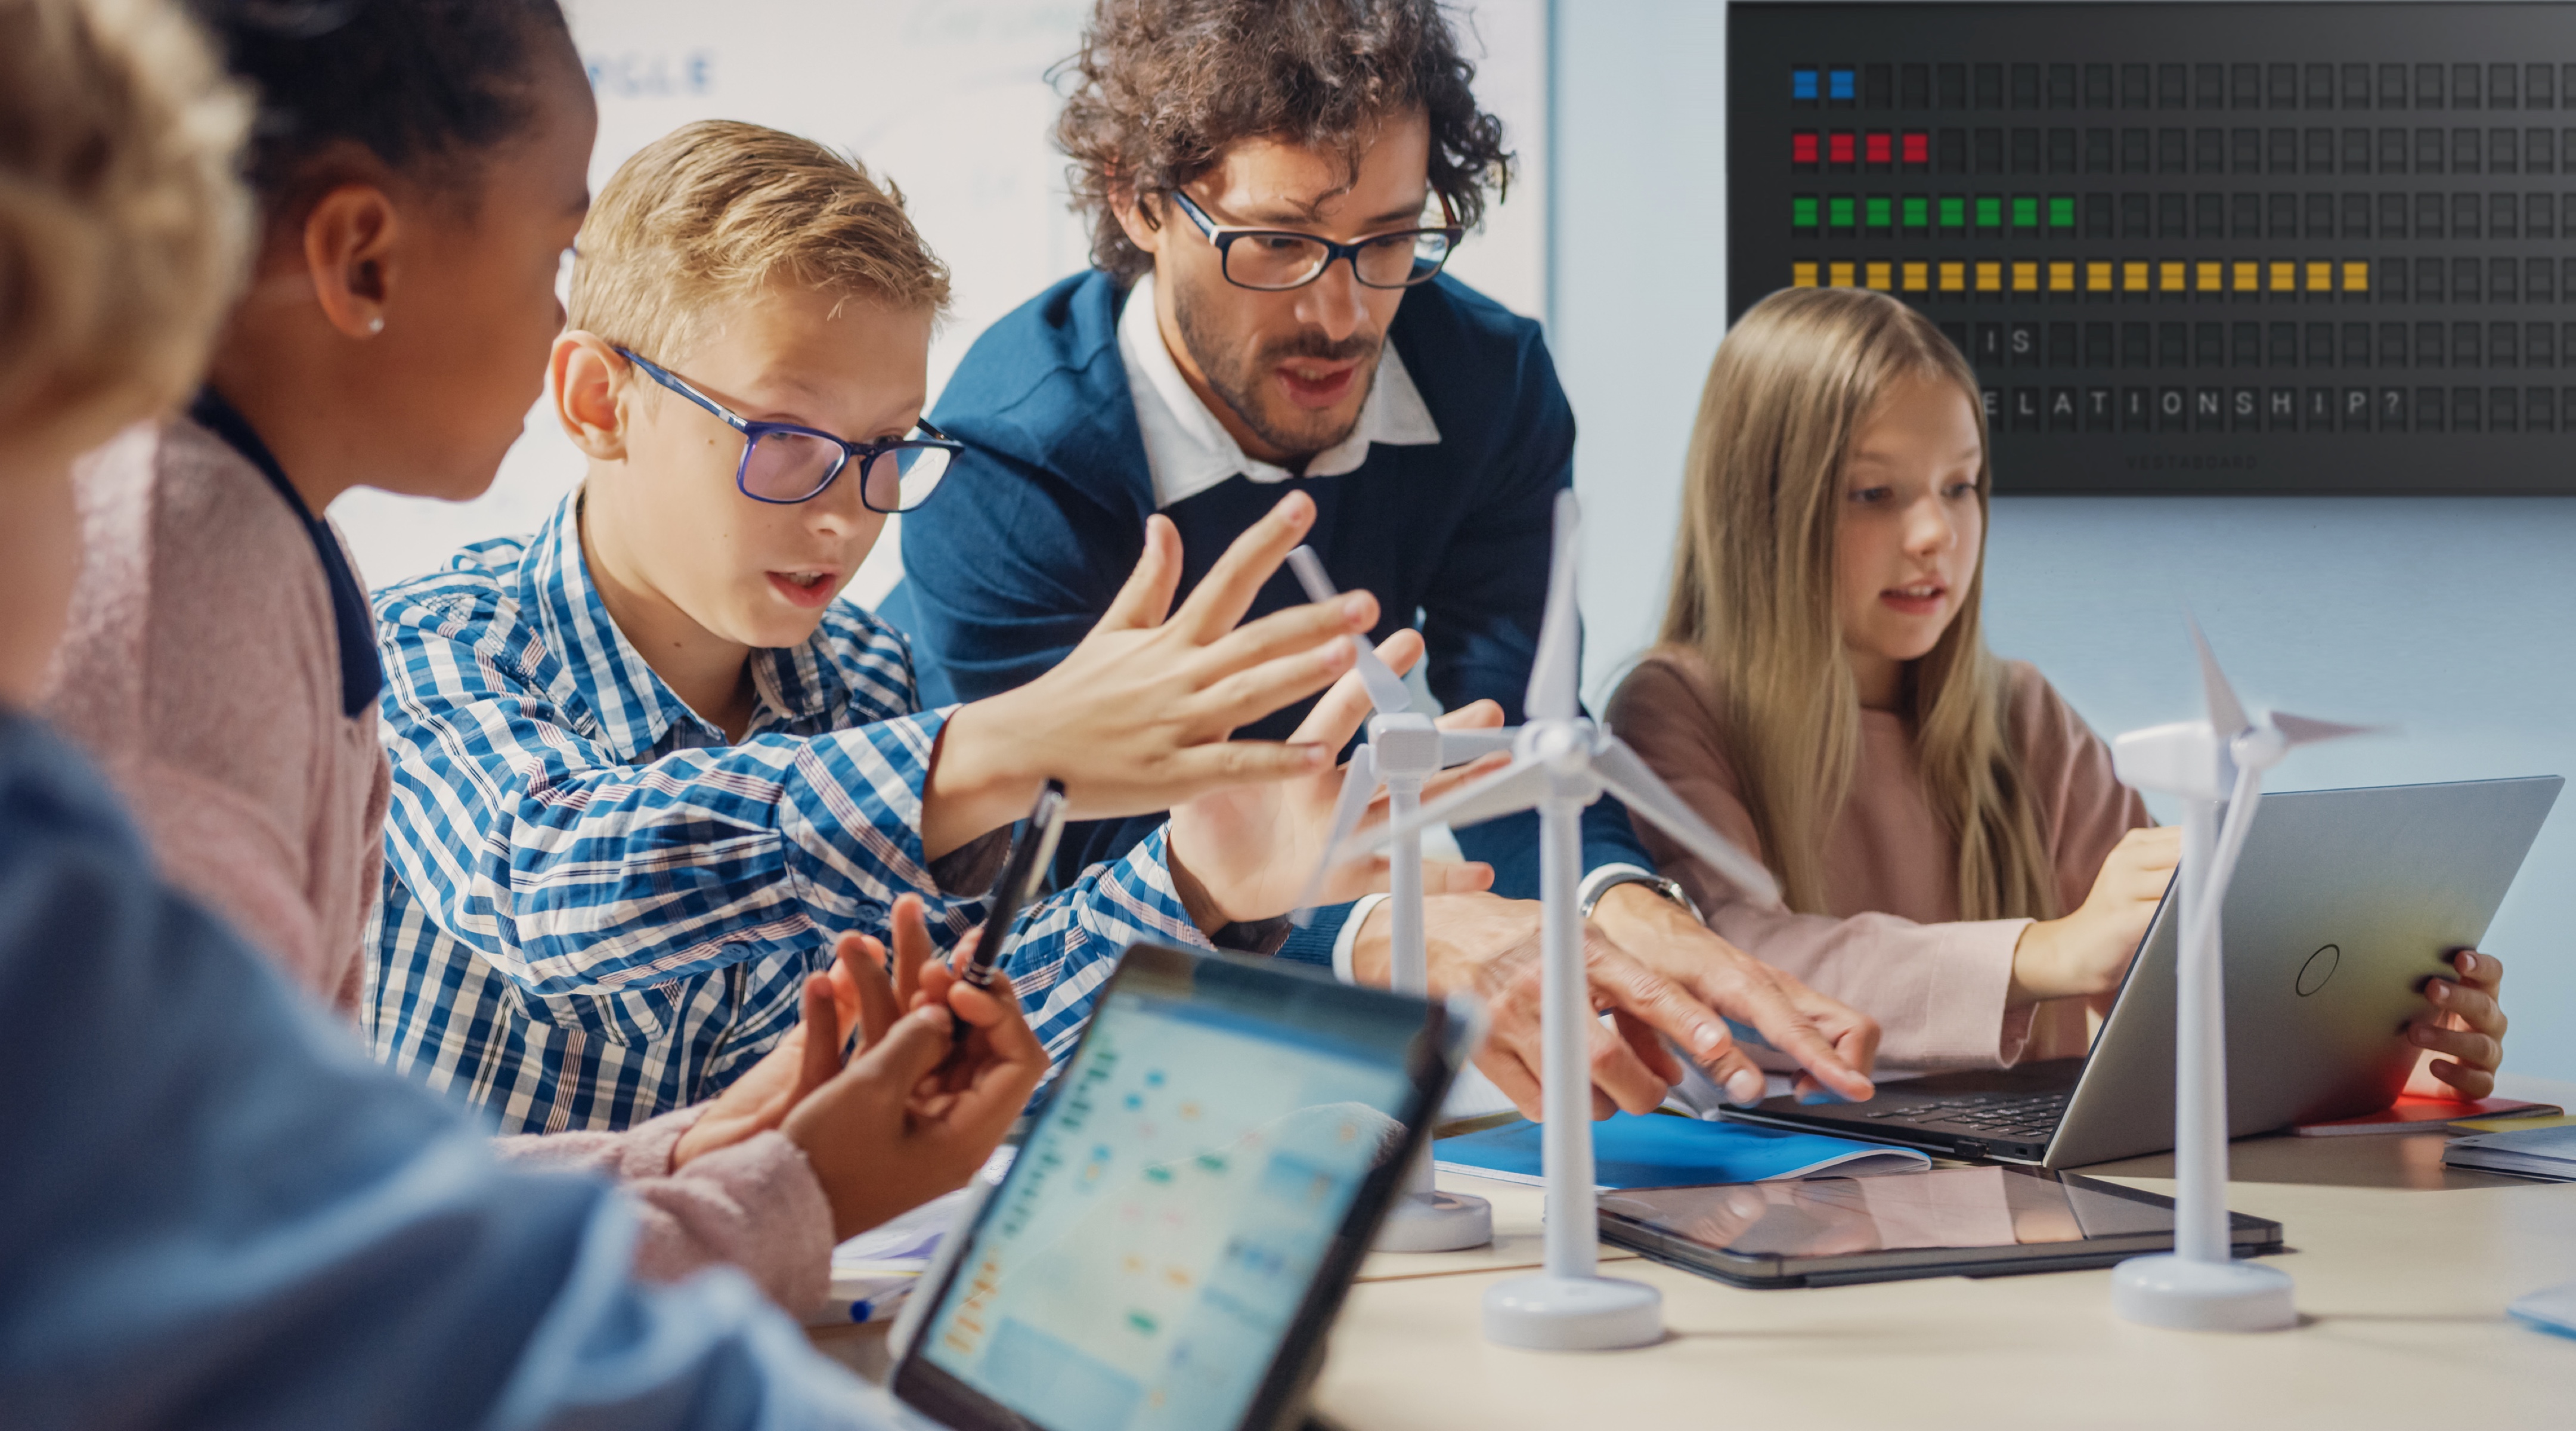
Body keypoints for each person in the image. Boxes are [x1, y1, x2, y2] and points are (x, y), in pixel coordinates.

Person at [0, 0, 958, 1421]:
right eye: (553, 251)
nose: (568, 321)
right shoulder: (181, 587)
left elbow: (299, 1216)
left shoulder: (248, 546)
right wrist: (982, 758)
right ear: (360, 255)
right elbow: (323, 1308)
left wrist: (721, 1162)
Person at [366, 117, 1477, 1142]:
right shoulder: (433, 648)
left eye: (889, 444)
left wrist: (1198, 880)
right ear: (601, 402)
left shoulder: (859, 677)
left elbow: (927, 1055)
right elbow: (545, 880)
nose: (846, 510)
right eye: (786, 436)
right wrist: (999, 751)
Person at [895, 0, 1880, 1117]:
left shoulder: (1489, 389)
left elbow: (1505, 739)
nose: (1343, 312)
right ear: (1137, 198)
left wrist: (1617, 901)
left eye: (1390, 238)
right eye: (1277, 242)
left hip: (1297, 991)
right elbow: (1057, 880)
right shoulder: (1007, 458)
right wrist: (1387, 932)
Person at [1606, 285, 2510, 1095]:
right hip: (1784, 1187)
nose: (1935, 533)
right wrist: (2046, 952)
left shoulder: (2021, 715)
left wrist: (2381, 1038)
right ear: (1760, 509)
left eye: (1961, 487)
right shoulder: (1673, 710)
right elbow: (1732, 961)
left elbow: (2168, 973)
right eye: (1874, 493)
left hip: (2030, 1191)